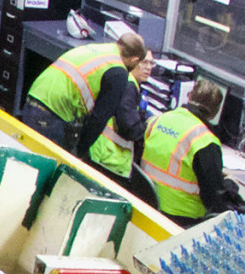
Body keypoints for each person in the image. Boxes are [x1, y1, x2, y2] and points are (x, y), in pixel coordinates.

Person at [22, 31, 152, 180]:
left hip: (36, 97)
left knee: (30, 166)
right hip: (53, 112)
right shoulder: (118, 71)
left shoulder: (99, 50)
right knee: (44, 175)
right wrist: (80, 152)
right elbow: (99, 118)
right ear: (135, 59)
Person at [134, 80, 245, 222]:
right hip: (181, 217)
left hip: (146, 203)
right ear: (215, 112)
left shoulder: (158, 120)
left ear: (189, 96)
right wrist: (230, 185)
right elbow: (215, 199)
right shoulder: (204, 141)